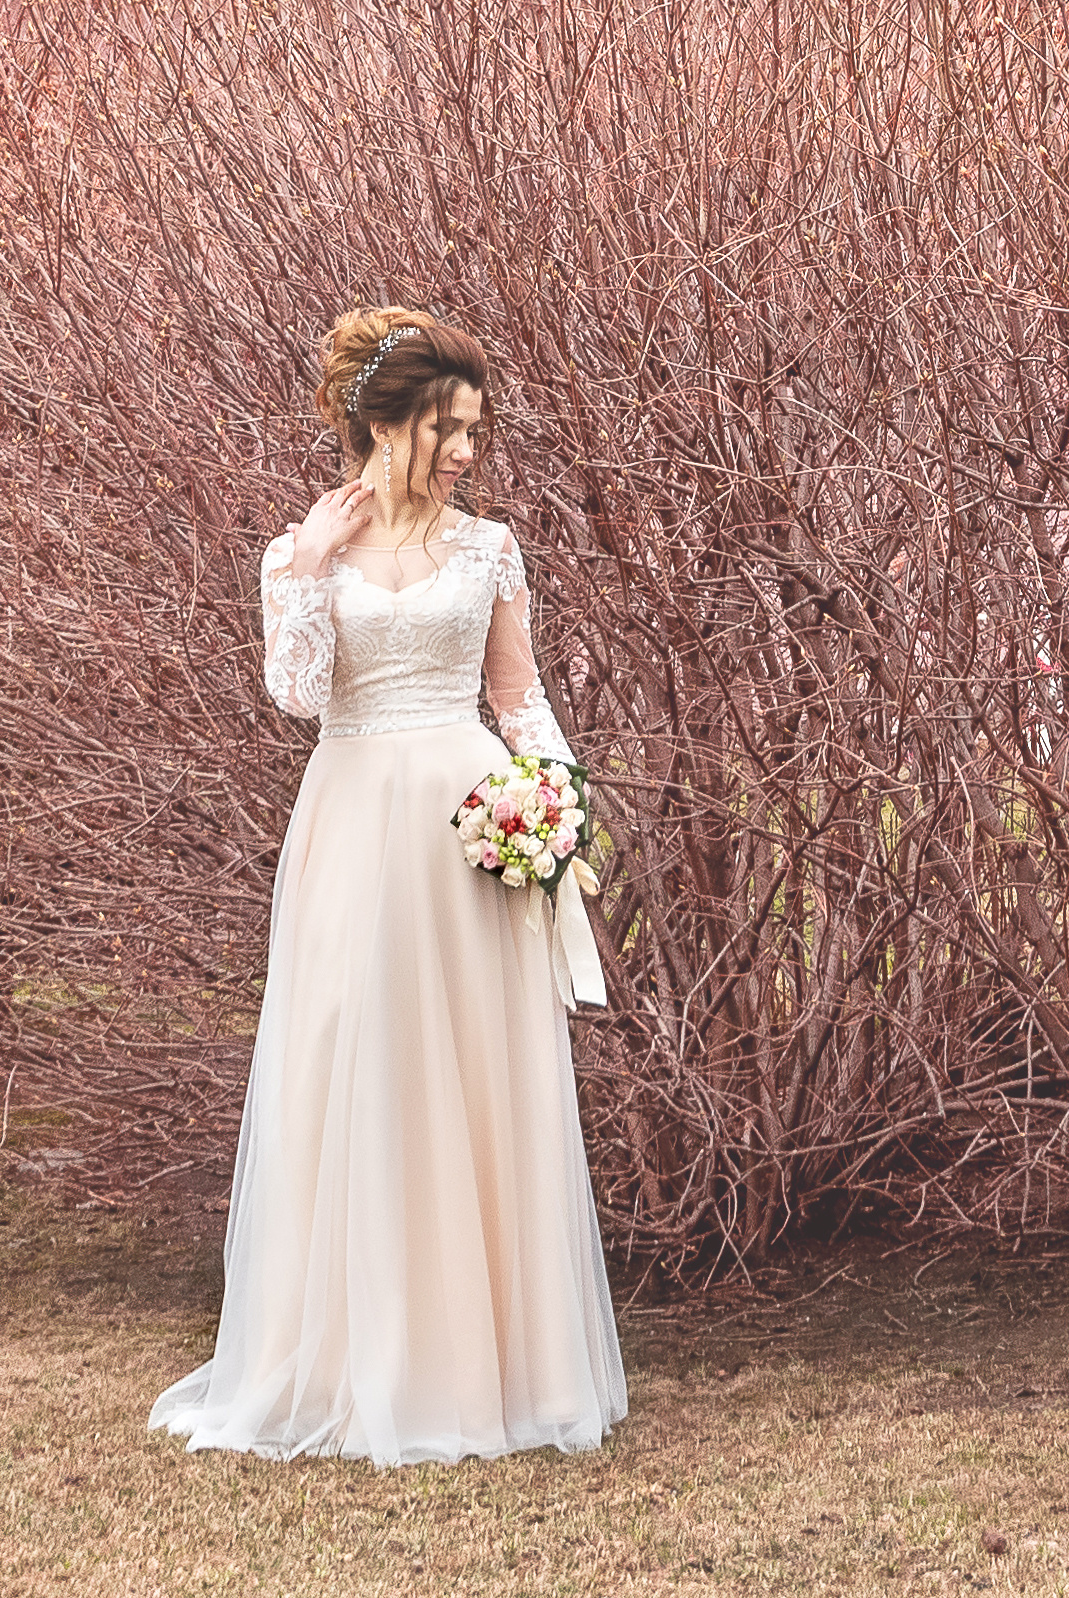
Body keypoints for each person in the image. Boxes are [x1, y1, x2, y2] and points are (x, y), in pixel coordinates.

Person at [150, 308, 627, 1464]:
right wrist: (312, 571)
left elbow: (516, 697)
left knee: (474, 1074)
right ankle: (358, 1362)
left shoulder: (491, 548)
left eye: (473, 429)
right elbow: (301, 695)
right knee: (356, 1059)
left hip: (469, 828)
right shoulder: (297, 552)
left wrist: (557, 803)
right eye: (442, 428)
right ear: (380, 423)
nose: (464, 450)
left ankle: (489, 1370)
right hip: (356, 826)